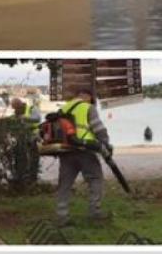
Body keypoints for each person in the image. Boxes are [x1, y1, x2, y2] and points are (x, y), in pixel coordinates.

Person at [56, 88, 113, 227]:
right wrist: (106, 145)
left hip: (66, 151)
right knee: (95, 179)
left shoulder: (63, 108)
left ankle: (62, 216)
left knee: (64, 184)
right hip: (85, 150)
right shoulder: (88, 108)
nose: (93, 103)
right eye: (92, 100)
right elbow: (98, 128)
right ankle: (95, 212)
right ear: (88, 97)